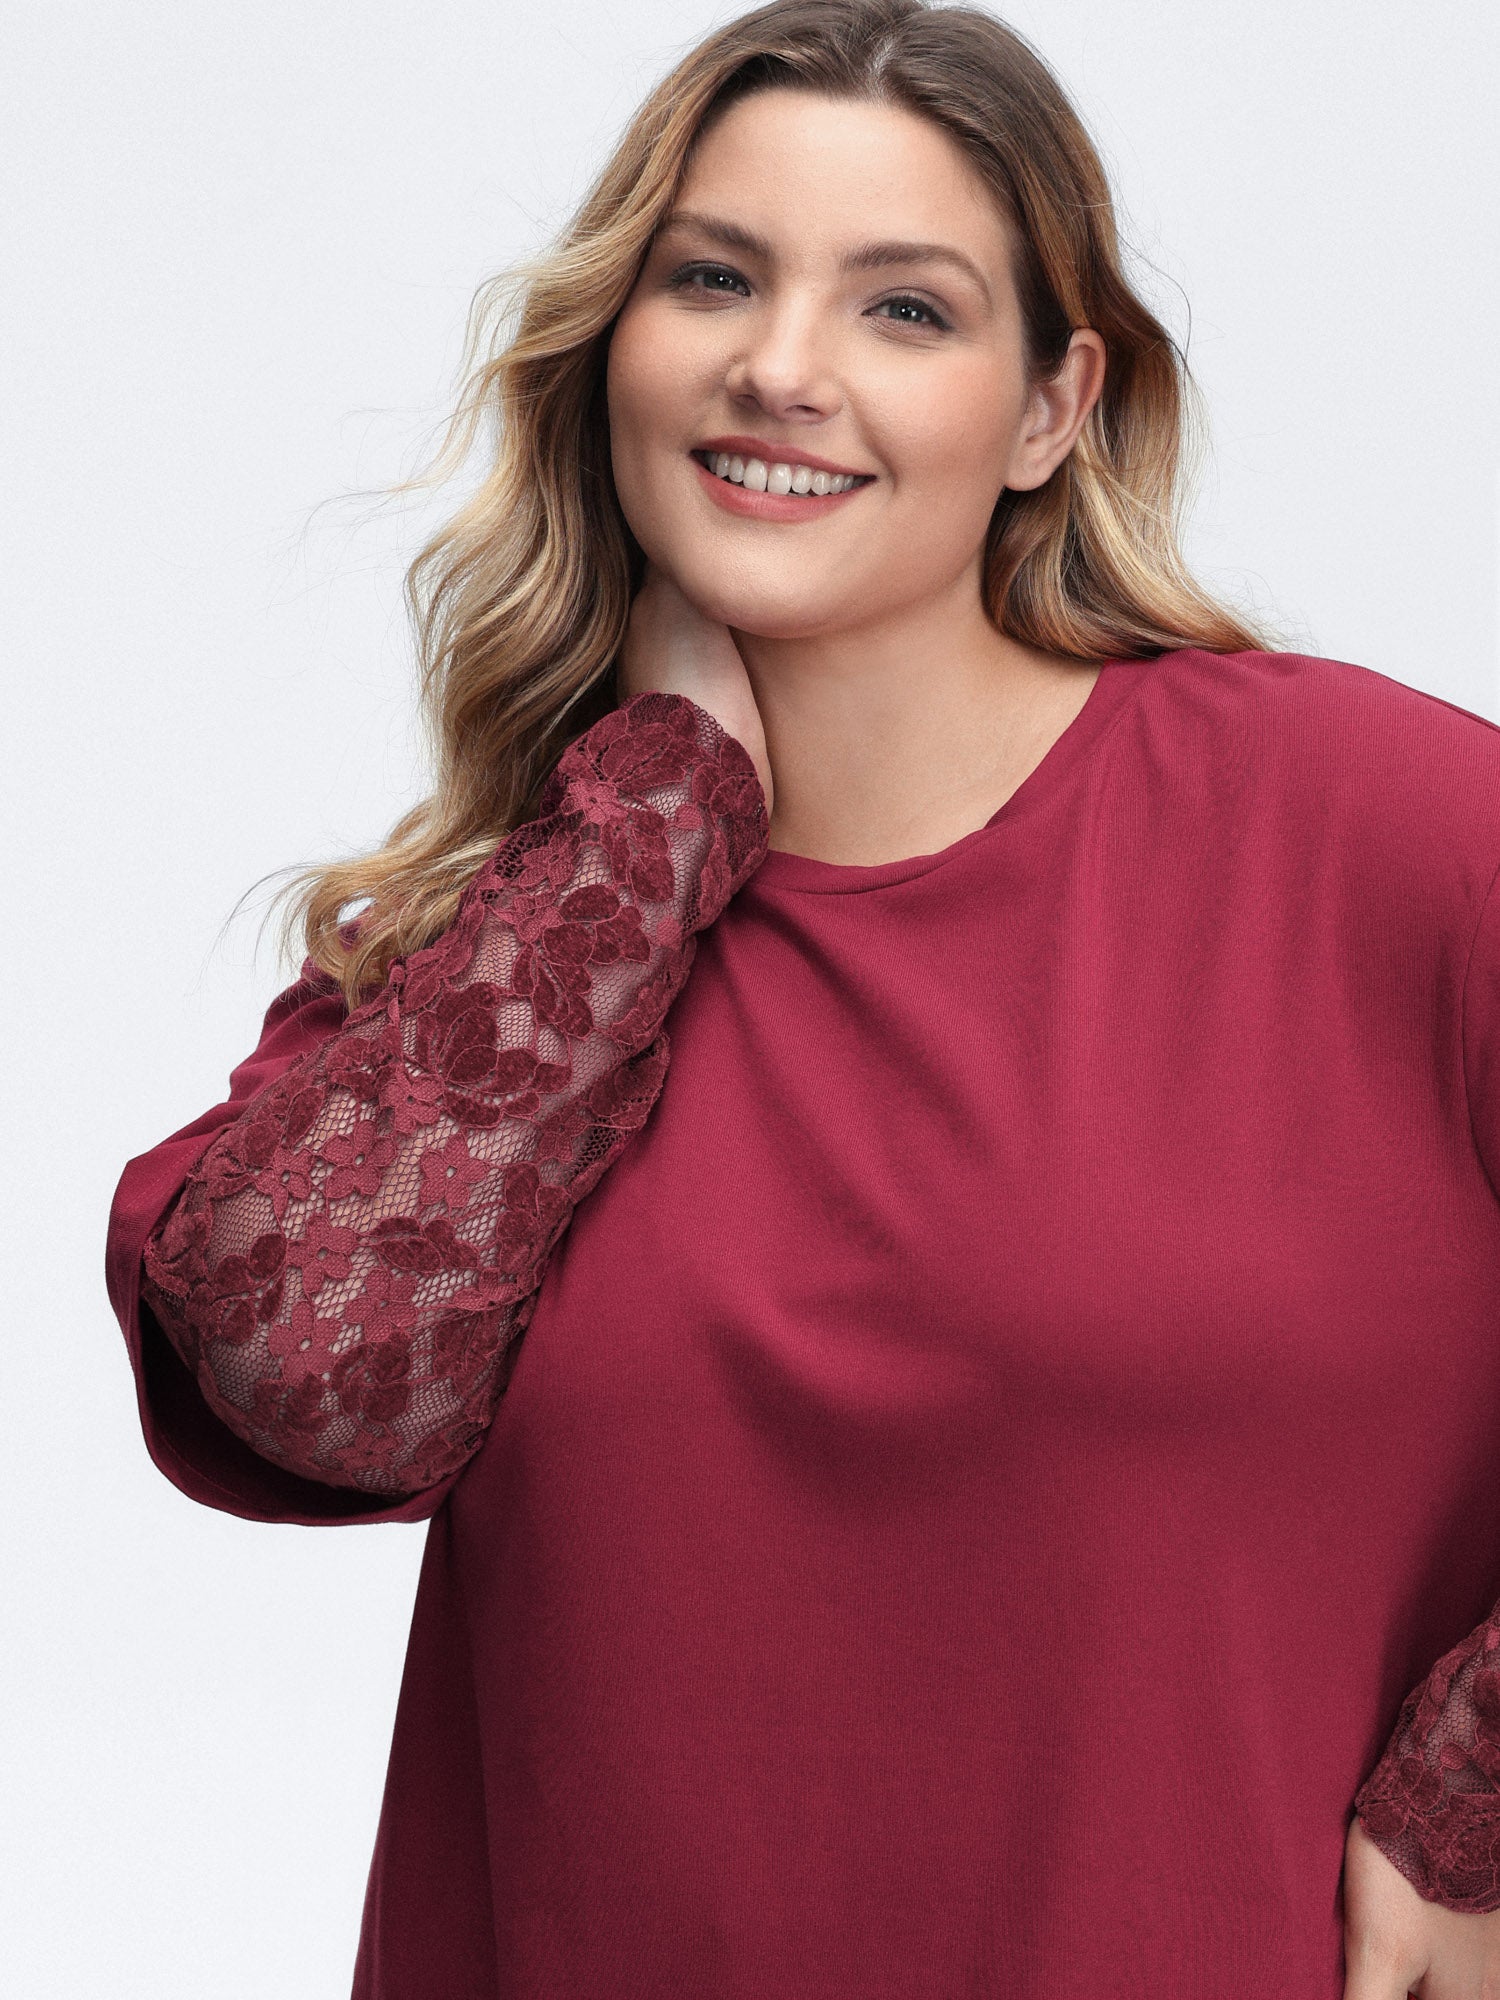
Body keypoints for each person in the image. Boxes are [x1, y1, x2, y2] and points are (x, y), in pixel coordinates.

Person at [103, 1, 1500, 1993]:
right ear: (614, 348)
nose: (781, 366)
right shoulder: (516, 956)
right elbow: (307, 1380)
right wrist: (659, 814)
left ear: (1052, 410)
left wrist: (1469, 1807)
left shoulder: (1378, 831)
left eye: (905, 310)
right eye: (713, 279)